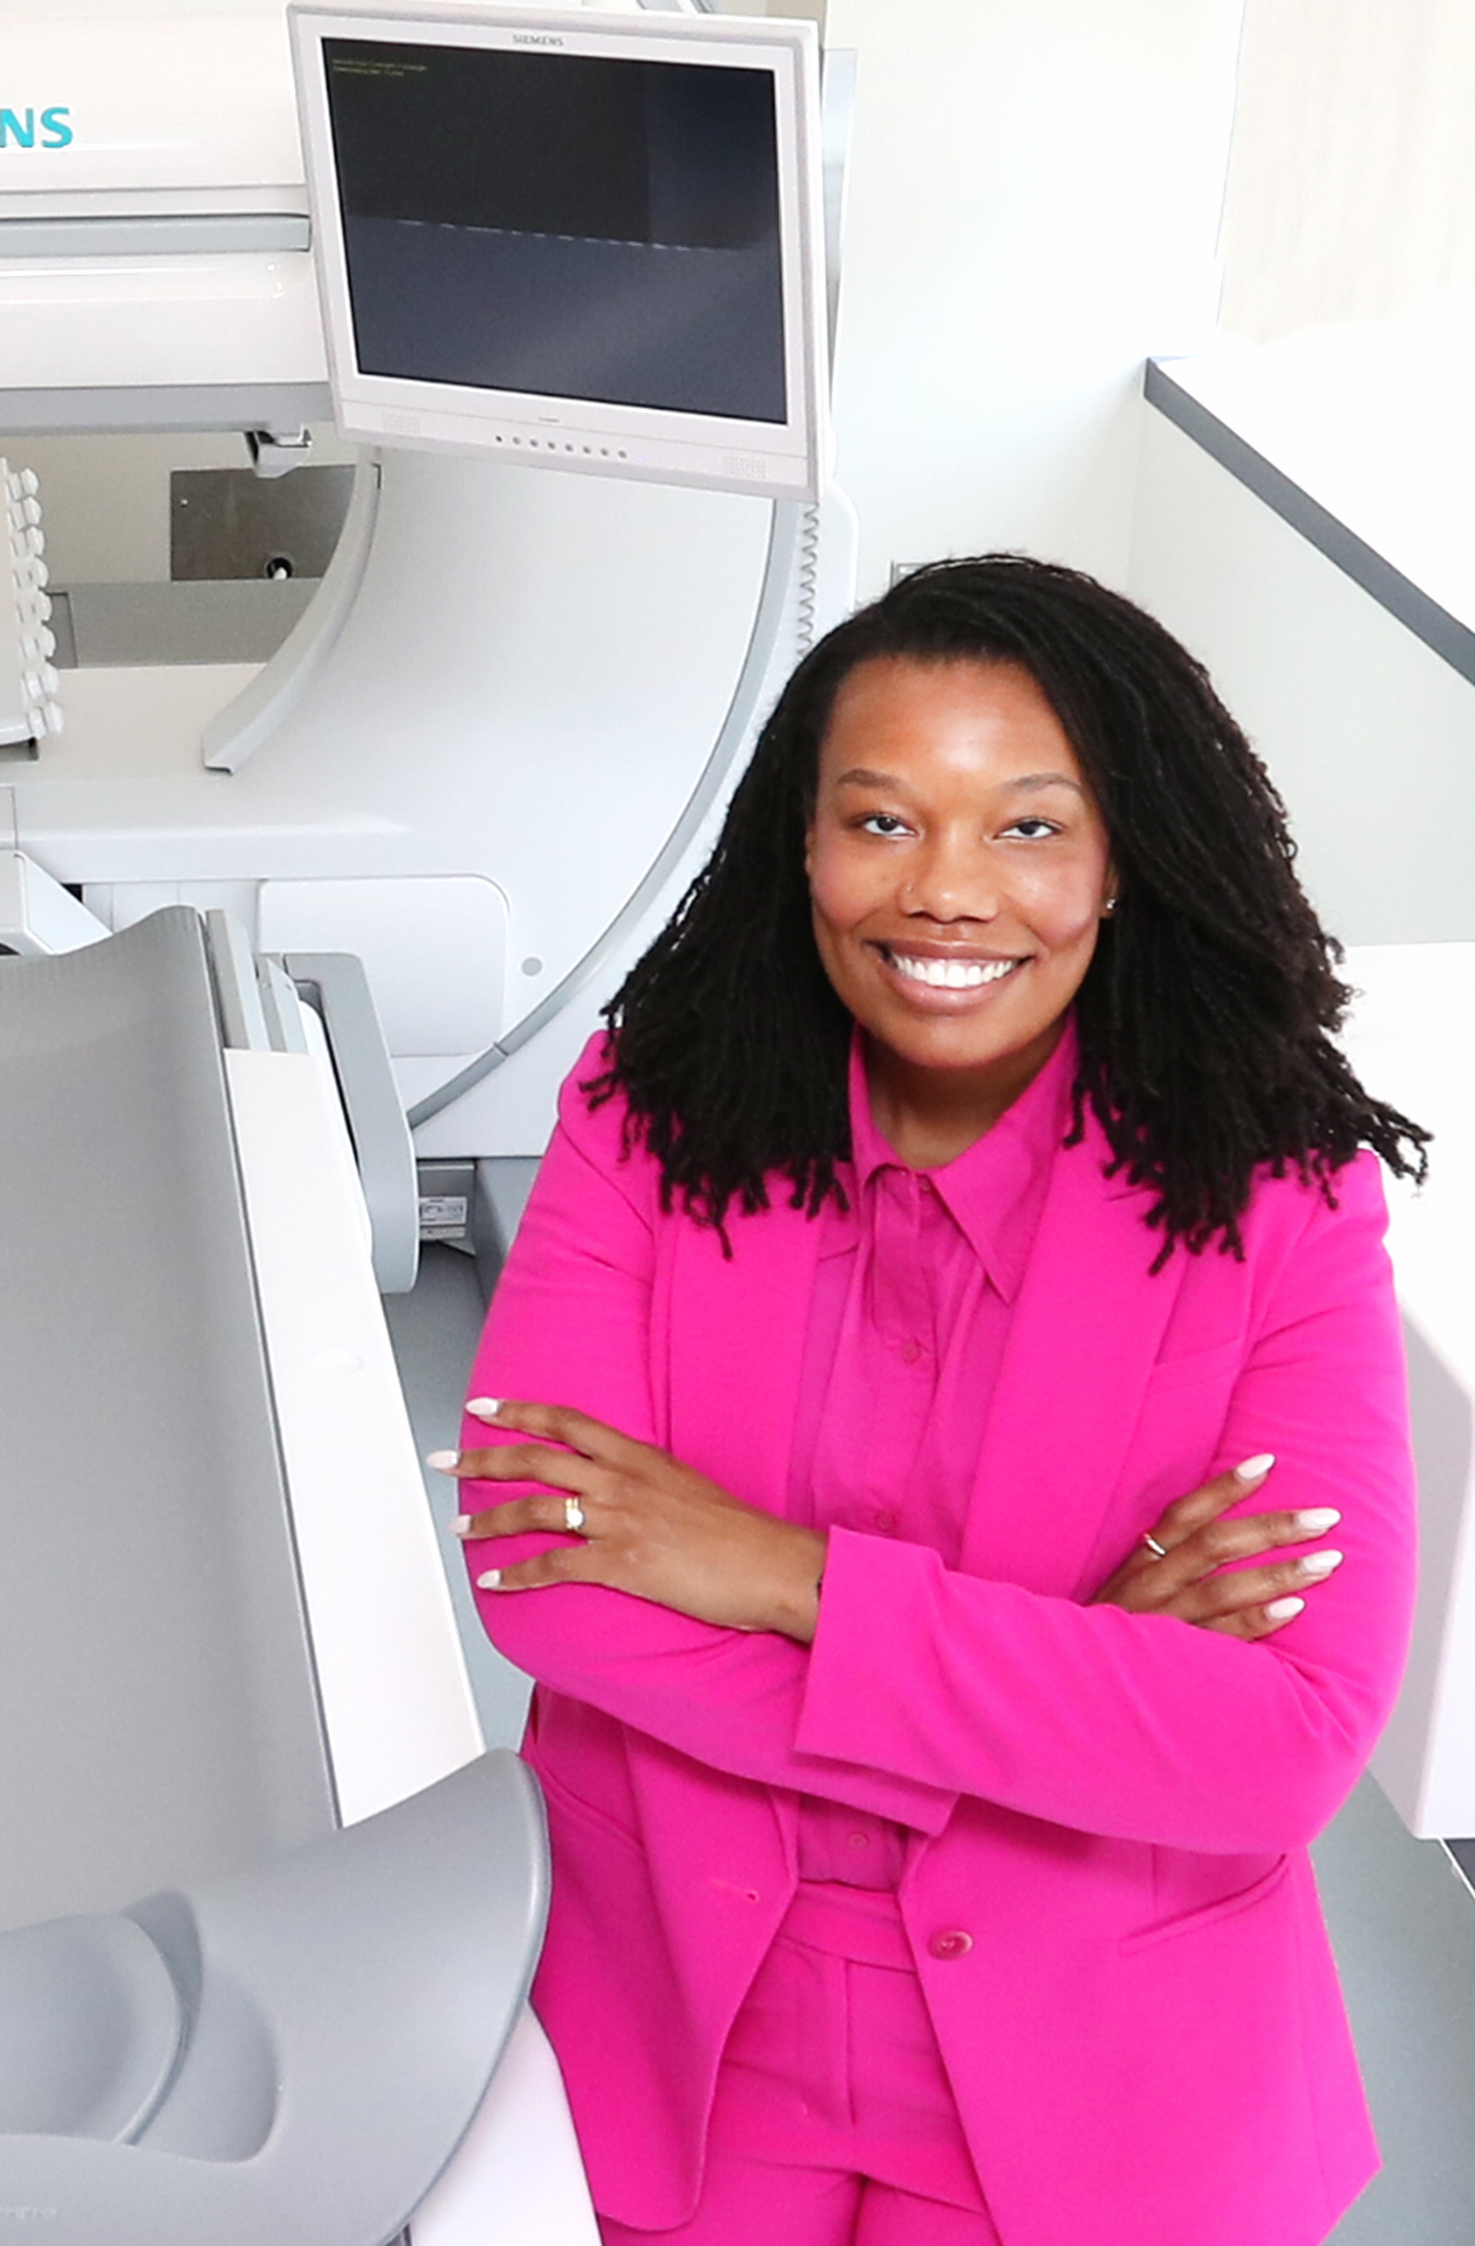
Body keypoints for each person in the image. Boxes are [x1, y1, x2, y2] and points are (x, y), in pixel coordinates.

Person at [445, 556, 1422, 2246]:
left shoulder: (1279, 1191)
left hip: (1105, 2086)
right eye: (882, 822)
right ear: (799, 851)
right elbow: (552, 1580)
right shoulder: (645, 1115)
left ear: (1126, 862)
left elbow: (1282, 1748)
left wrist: (780, 1575)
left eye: (1028, 828)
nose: (948, 893)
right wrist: (1079, 1670)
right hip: (684, 2043)